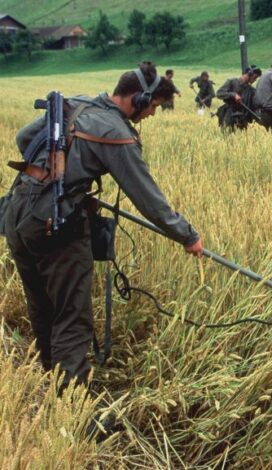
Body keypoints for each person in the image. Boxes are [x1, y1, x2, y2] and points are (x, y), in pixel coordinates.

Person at [2, 61, 203, 392]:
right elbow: (150, 199)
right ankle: (71, 401)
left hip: (16, 212)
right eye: (153, 106)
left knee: (42, 306)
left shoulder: (76, 104)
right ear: (138, 99)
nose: (153, 113)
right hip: (54, 224)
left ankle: (50, 379)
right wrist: (188, 236)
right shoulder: (115, 133)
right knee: (72, 316)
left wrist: (60, 176)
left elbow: (24, 138)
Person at [216, 65, 262, 131]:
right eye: (254, 77)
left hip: (243, 118)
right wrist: (233, 95)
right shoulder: (231, 82)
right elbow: (219, 93)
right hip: (229, 115)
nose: (255, 80)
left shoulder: (251, 91)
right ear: (249, 74)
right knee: (226, 135)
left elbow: (254, 106)